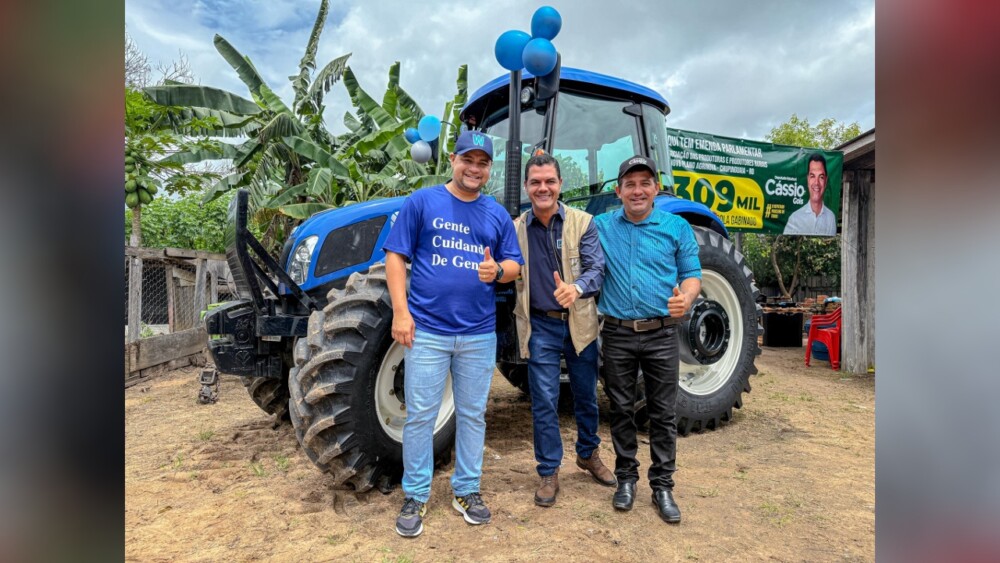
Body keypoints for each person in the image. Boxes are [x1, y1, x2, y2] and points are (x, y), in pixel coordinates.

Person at [383, 130, 523, 538]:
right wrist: (400, 313)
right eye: (468, 160)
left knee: (473, 414)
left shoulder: (495, 214)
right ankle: (416, 494)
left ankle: (467, 490)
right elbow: (396, 256)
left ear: (489, 168)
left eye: (482, 163)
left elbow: (514, 264)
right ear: (453, 159)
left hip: (479, 335)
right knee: (421, 416)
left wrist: (497, 271)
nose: (474, 168)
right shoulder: (423, 202)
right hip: (426, 331)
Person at [594, 155, 702, 524]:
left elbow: (691, 274)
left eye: (645, 183)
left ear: (656, 188)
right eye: (630, 184)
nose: (637, 190)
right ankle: (626, 479)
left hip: (661, 333)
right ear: (618, 191)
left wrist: (686, 299)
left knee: (663, 412)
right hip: (618, 333)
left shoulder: (677, 227)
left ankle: (663, 486)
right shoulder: (601, 226)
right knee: (620, 409)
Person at [512, 154, 615, 508]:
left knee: (585, 396)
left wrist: (577, 288)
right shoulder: (516, 228)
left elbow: (596, 269)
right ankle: (549, 470)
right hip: (539, 323)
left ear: (559, 185)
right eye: (536, 182)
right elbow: (506, 266)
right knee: (544, 401)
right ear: (527, 186)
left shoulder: (583, 222)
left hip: (579, 325)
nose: (543, 188)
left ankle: (588, 454)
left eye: (550, 181)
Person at [783, 153, 836, 235]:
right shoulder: (795, 218)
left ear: (826, 181)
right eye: (812, 176)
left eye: (821, 177)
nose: (816, 183)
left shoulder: (830, 217)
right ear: (808, 179)